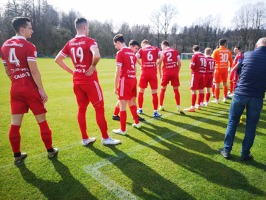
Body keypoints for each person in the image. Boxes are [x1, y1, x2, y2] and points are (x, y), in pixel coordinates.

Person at [1, 17, 58, 166]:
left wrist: (16, 80)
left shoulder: (4, 46)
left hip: (15, 88)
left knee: (15, 123)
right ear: (22, 29)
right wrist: (41, 90)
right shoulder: (29, 46)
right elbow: (34, 71)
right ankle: (50, 150)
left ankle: (17, 155)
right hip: (30, 89)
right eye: (30, 28)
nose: (32, 30)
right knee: (42, 121)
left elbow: (7, 70)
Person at [55, 17, 120, 145]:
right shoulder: (90, 41)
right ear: (85, 27)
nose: (88, 29)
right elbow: (97, 55)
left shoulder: (70, 43)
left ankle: (85, 138)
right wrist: (93, 66)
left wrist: (72, 71)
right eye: (88, 27)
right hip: (90, 81)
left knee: (81, 109)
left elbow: (57, 59)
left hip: (77, 81)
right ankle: (106, 138)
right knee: (99, 109)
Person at [219, 37, 266, 161]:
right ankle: (245, 153)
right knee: (251, 126)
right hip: (257, 96)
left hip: (241, 93)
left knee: (232, 122)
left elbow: (240, 71)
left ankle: (227, 150)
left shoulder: (247, 55)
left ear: (257, 45)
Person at [112, 34, 141, 135]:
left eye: (115, 44)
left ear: (119, 43)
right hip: (133, 79)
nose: (115, 47)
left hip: (125, 80)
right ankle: (137, 122)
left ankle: (123, 130)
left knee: (122, 104)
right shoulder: (132, 53)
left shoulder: (120, 53)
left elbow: (117, 72)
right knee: (132, 102)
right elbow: (136, 68)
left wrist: (115, 86)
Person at [135, 39, 163, 118]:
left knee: (141, 92)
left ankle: (140, 109)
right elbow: (163, 56)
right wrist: (157, 63)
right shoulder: (155, 48)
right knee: (154, 93)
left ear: (143, 44)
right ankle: (155, 112)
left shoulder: (142, 49)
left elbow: (136, 56)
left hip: (144, 73)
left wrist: (141, 64)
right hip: (153, 73)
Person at [158, 40, 184, 114]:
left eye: (161, 46)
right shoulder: (175, 51)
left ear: (163, 45)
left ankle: (161, 106)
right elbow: (179, 62)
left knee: (163, 89)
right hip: (174, 72)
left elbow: (159, 65)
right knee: (176, 90)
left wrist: (160, 74)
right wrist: (177, 71)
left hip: (166, 72)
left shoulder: (162, 52)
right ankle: (178, 107)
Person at [184, 45, 206, 112]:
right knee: (201, 89)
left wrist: (190, 65)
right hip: (202, 74)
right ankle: (199, 104)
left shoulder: (195, 56)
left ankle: (192, 107)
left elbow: (192, 66)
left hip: (196, 74)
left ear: (193, 50)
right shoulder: (203, 56)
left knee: (193, 90)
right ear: (199, 49)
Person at [211, 38, 233, 103]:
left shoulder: (216, 51)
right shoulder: (228, 51)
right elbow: (231, 61)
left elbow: (212, 60)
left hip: (218, 69)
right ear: (225, 43)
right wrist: (230, 68)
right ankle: (225, 98)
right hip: (225, 69)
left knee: (217, 84)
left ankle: (217, 99)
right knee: (225, 84)